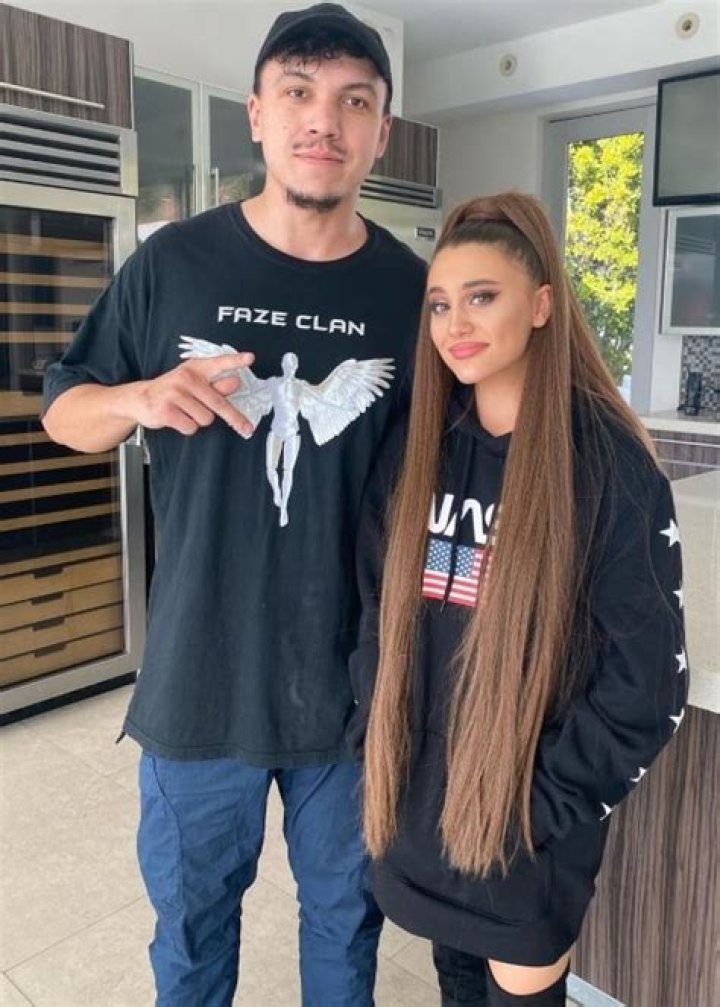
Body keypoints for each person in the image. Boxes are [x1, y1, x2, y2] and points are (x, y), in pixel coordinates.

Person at [41, 4, 426, 1004]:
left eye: (354, 101)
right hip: (199, 679)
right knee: (192, 936)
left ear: (381, 131)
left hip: (352, 690)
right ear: (257, 114)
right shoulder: (173, 263)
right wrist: (137, 398)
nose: (323, 121)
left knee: (345, 936)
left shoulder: (411, 291)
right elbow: (64, 411)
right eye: (298, 93)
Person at [347, 192, 688, 1006]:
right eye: (439, 303)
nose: (455, 323)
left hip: (525, 843)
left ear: (540, 305)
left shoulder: (608, 465)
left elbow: (647, 683)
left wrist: (533, 808)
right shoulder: (416, 450)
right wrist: (376, 741)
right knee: (455, 983)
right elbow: (376, 616)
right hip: (422, 820)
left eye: (482, 296)